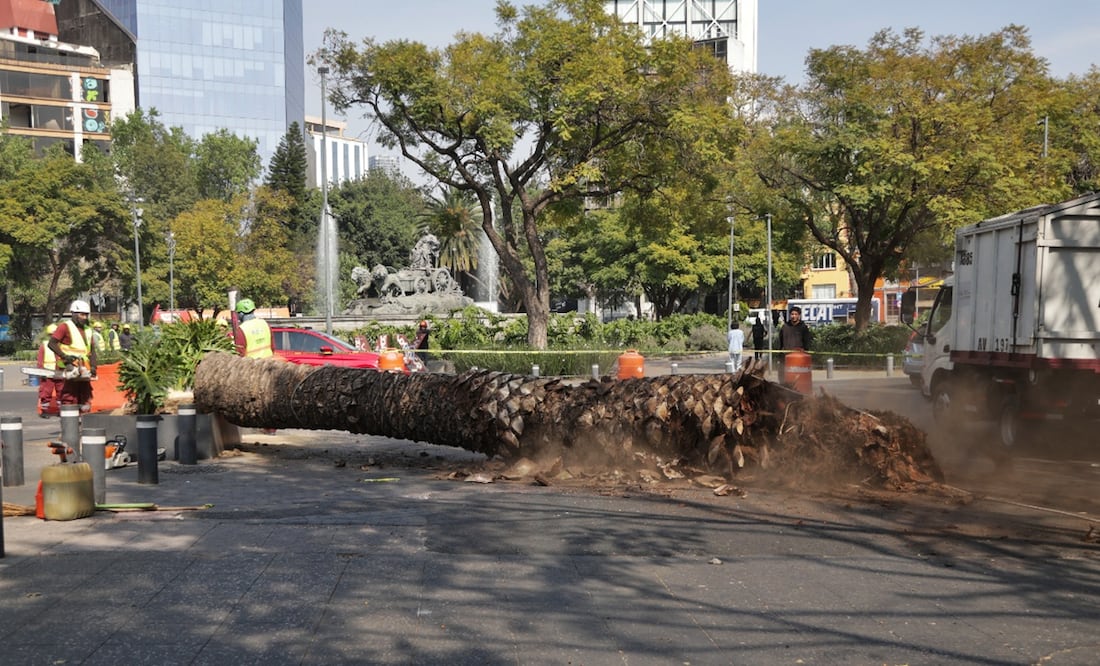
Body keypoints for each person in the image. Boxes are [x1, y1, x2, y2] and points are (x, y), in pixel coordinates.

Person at [47, 300, 97, 414]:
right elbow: (52, 343)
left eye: (86, 315)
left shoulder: (88, 330)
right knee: (69, 395)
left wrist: (94, 366)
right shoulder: (65, 327)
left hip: (84, 367)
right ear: (74, 314)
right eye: (82, 314)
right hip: (68, 366)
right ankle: (69, 419)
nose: (85, 317)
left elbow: (92, 351)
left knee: (85, 394)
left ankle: (84, 418)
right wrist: (64, 356)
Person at [36, 323, 61, 416]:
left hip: (60, 372)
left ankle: (61, 410)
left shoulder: (62, 345)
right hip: (47, 372)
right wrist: (41, 371)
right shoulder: (45, 345)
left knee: (61, 391)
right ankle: (45, 410)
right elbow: (40, 360)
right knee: (46, 392)